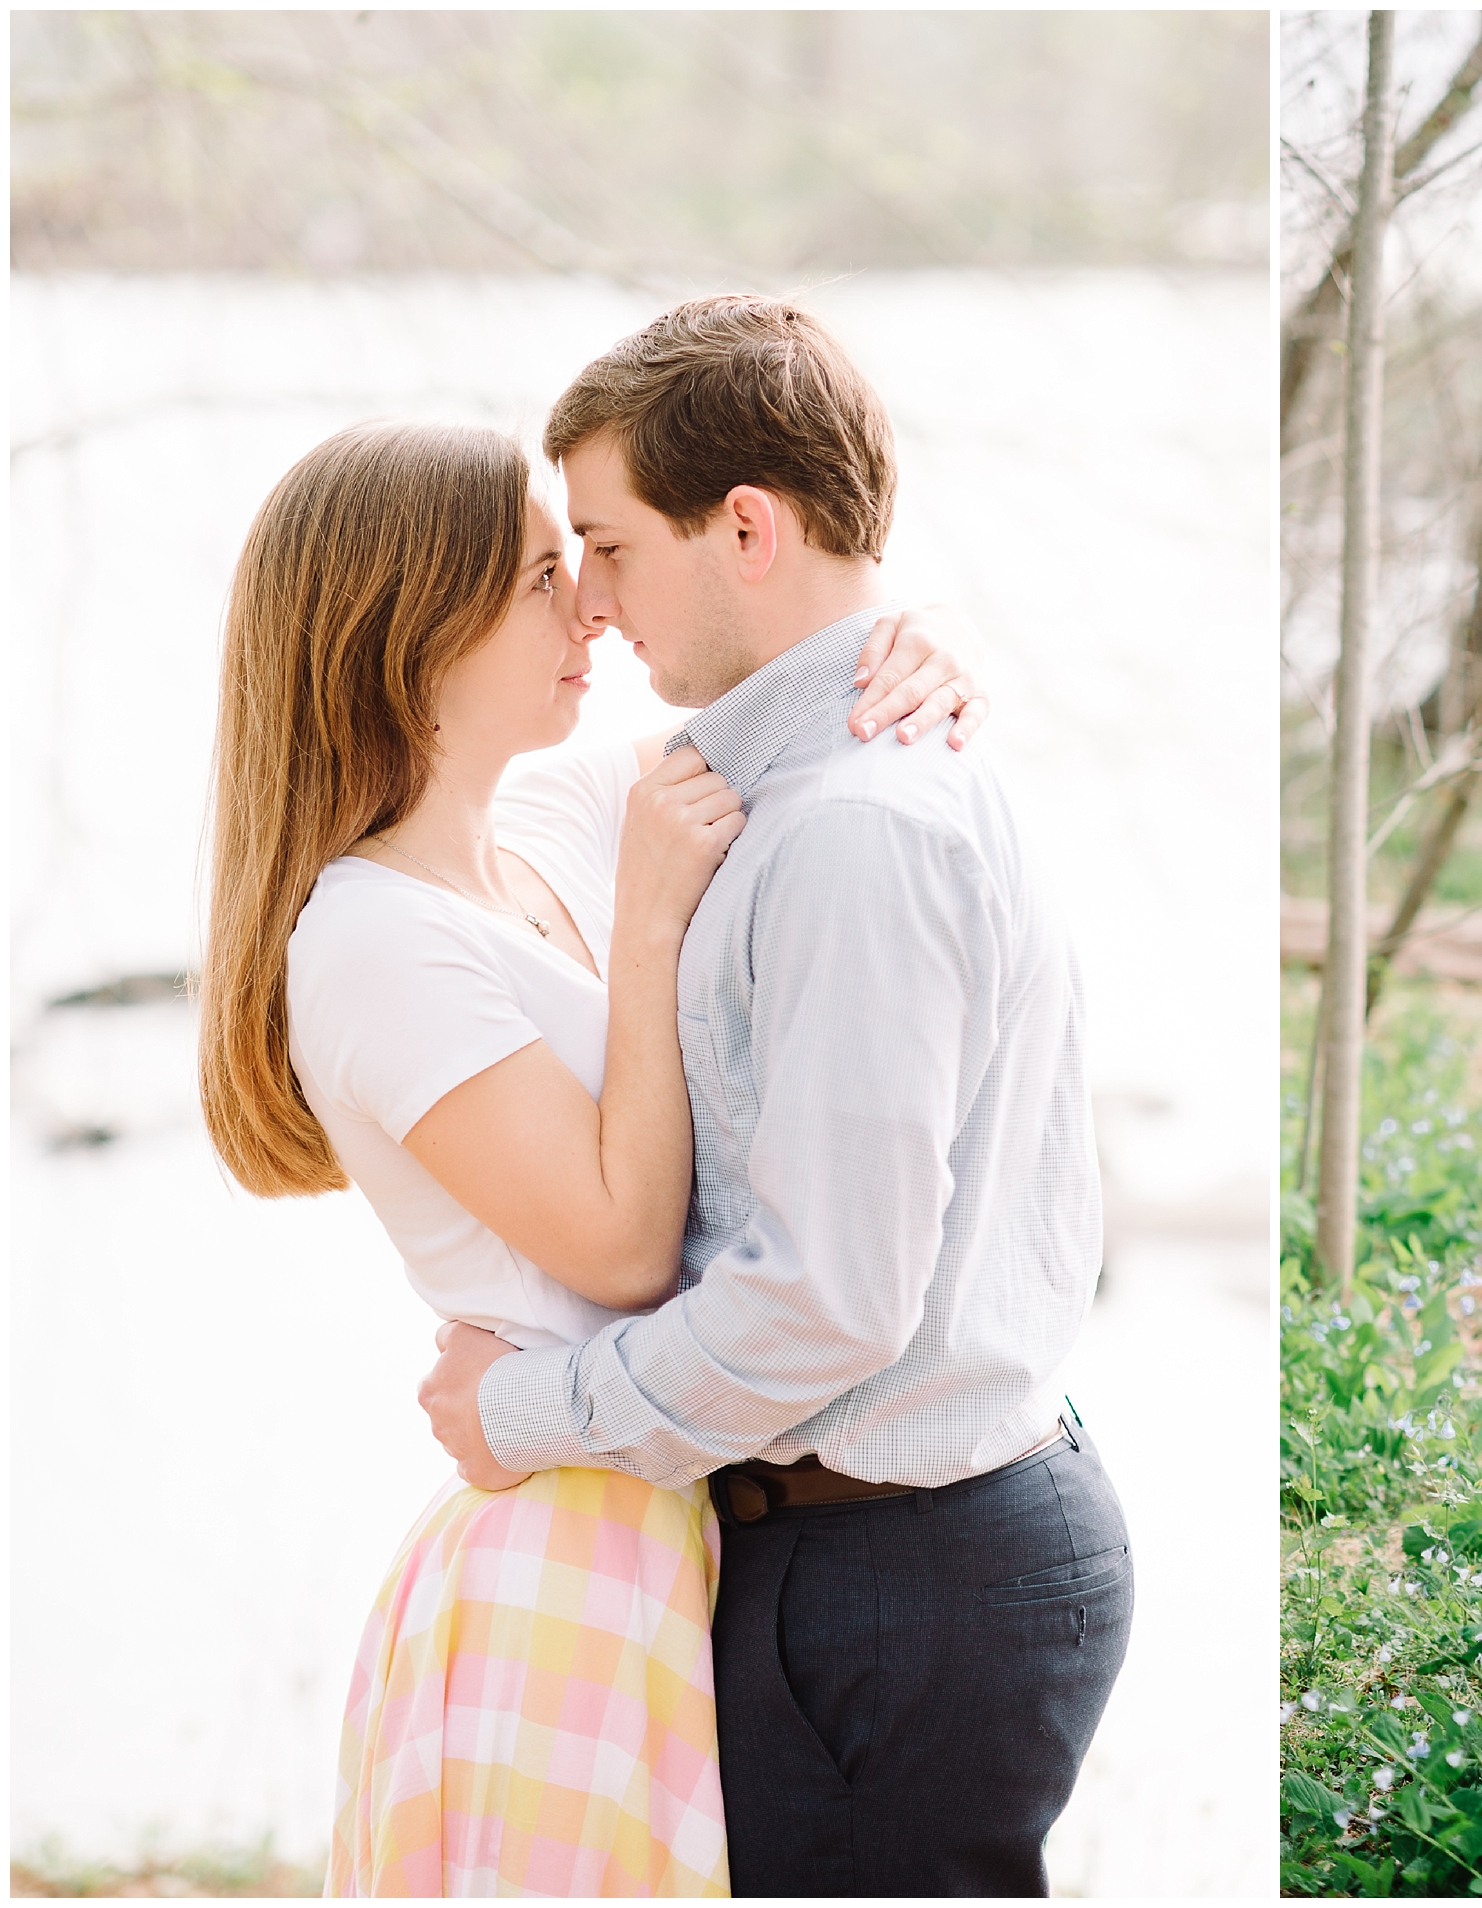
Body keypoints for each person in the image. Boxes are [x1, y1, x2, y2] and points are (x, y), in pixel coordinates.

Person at [197, 413, 985, 1894]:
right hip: (561, 1558)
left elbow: (810, 680)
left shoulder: (536, 820)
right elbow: (620, 1246)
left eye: (583, 565)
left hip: (662, 1521)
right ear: (404, 625)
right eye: (536, 579)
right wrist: (648, 928)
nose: (592, 609)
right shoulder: (368, 940)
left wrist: (923, 642)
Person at [414, 295, 1133, 1898]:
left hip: (900, 1575)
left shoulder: (851, 829)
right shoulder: (802, 774)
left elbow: (825, 1303)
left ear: (746, 526)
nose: (589, 605)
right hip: (888, 1553)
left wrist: (517, 1415)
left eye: (606, 547)